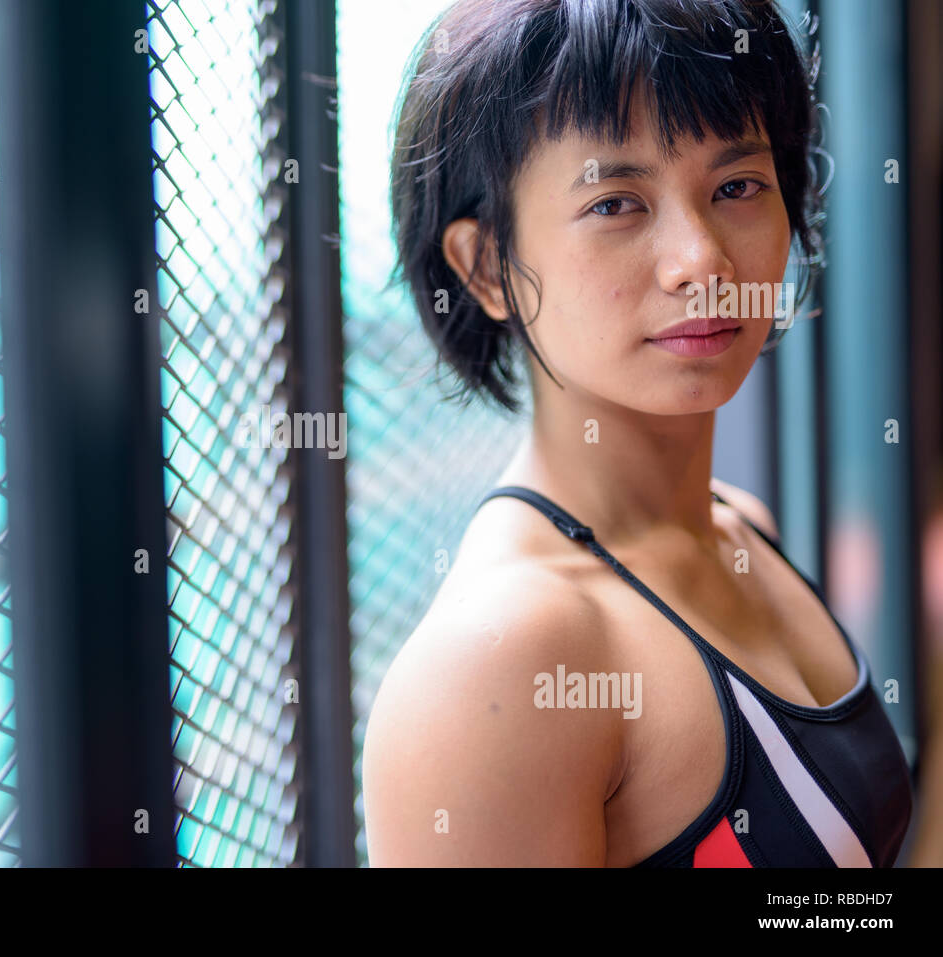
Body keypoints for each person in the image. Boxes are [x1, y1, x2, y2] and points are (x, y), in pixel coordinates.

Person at [362, 0, 913, 867]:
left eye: (737, 187)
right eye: (617, 202)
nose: (700, 258)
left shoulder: (739, 527)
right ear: (484, 266)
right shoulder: (499, 662)